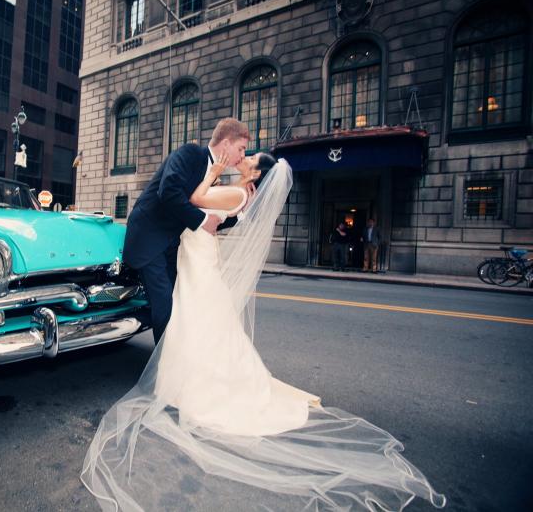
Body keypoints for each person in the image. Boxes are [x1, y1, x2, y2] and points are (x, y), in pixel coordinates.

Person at [82, 157, 446, 511]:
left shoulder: (236, 193)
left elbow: (192, 201)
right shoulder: (238, 193)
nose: (245, 157)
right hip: (196, 259)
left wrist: (214, 172)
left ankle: (193, 383)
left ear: (256, 173)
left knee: (199, 322)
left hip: (200, 264)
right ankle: (186, 375)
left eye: (250, 158)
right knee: (199, 324)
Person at [123, 118, 251, 345]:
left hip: (172, 243)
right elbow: (169, 191)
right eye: (241, 148)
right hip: (149, 238)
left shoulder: (214, 174)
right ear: (226, 144)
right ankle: (165, 369)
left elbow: (212, 217)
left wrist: (240, 213)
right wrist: (202, 220)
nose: (242, 155)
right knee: (165, 302)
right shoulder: (190, 153)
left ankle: (175, 359)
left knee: (176, 300)